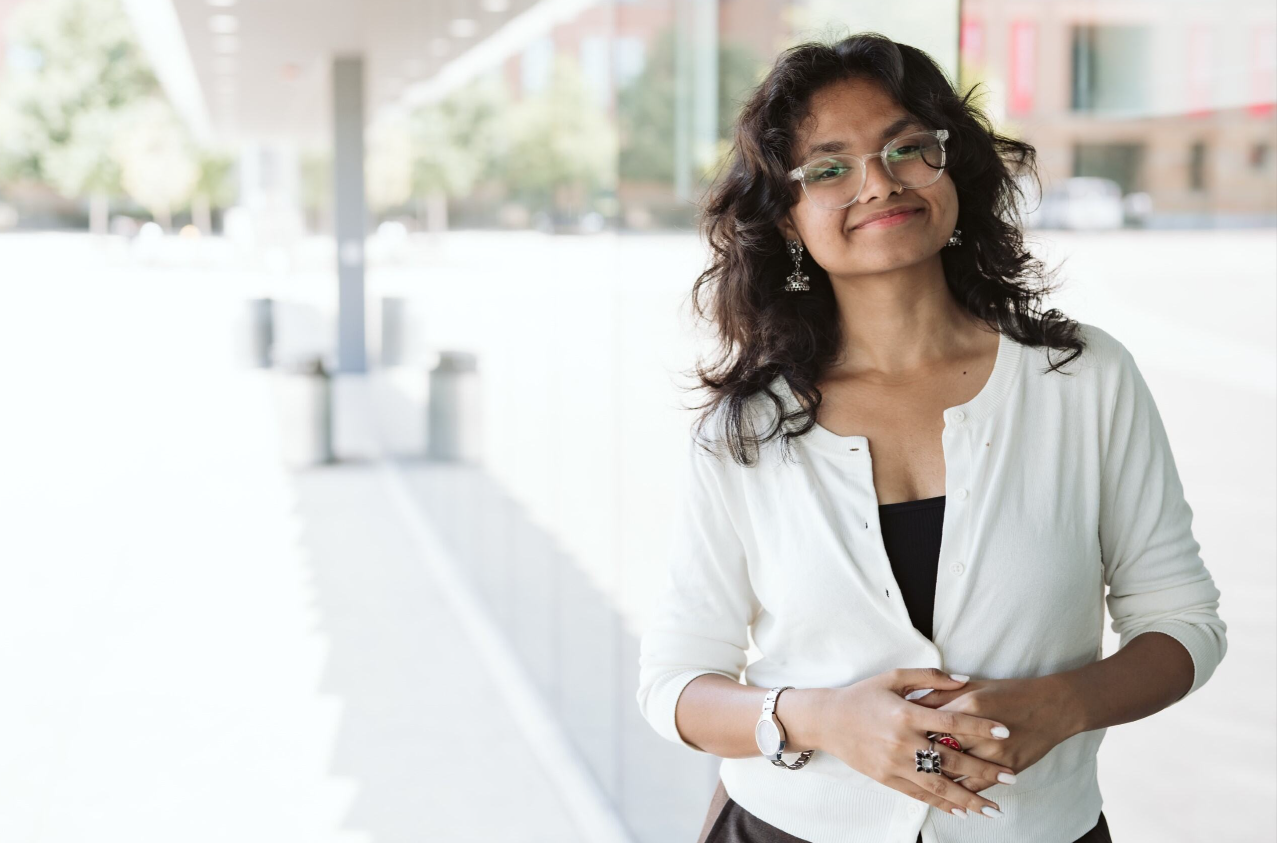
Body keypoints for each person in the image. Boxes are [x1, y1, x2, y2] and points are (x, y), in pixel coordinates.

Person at [635, 32, 1227, 843]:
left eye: (907, 147)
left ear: (953, 168)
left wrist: (1065, 704)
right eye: (829, 167)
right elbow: (674, 683)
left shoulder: (1083, 379)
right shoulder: (744, 430)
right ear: (786, 221)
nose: (878, 182)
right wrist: (818, 719)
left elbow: (1182, 621)